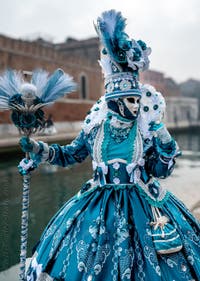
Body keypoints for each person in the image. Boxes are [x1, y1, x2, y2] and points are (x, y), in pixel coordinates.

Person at [19, 10, 200, 281]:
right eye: (130, 101)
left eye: (137, 100)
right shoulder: (95, 129)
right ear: (114, 102)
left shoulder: (144, 131)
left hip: (143, 203)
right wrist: (39, 150)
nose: (137, 106)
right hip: (97, 203)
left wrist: (163, 140)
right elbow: (70, 155)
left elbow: (161, 171)